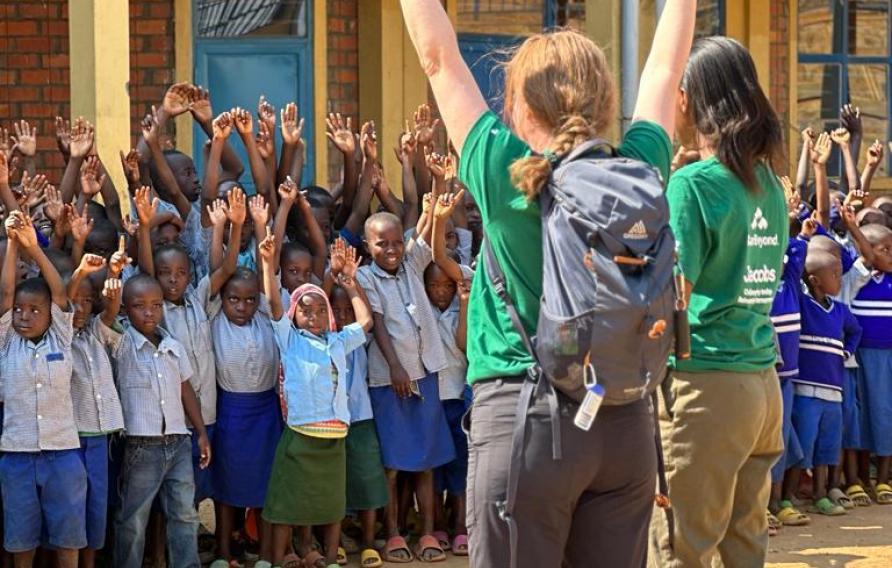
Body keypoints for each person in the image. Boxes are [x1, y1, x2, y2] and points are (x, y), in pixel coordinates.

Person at [399, 0, 695, 566]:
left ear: (520, 105)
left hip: (524, 419)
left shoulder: (503, 167)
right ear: (606, 101)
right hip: (626, 420)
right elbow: (665, 70)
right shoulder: (642, 168)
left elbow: (438, 58)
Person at [649, 37, 788, 567]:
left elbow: (672, 295)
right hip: (760, 383)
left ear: (686, 99)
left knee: (680, 547)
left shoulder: (693, 185)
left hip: (703, 383)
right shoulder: (769, 184)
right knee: (744, 544)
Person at [260, 231, 371, 568]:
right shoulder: (290, 339)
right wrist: (268, 265)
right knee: (286, 506)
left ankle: (330, 558)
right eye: (306, 311)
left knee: (331, 505)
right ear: (294, 315)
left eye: (321, 311)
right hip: (301, 435)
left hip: (334, 436)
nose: (314, 316)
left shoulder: (338, 341)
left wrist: (351, 283)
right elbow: (274, 303)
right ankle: (279, 559)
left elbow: (366, 322)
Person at [0, 211, 87, 568]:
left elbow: (59, 291)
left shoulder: (62, 337)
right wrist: (12, 248)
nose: (23, 315)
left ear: (51, 315)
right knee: (22, 539)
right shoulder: (6, 342)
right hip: (17, 454)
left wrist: (34, 250)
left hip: (63, 454)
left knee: (67, 537)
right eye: (19, 310)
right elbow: (7, 291)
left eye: (34, 310)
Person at [207, 263, 282, 568]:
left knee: (265, 486)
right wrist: (233, 227)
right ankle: (223, 553)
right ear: (221, 299)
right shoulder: (213, 321)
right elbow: (216, 273)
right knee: (226, 487)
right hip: (231, 412)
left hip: (266, 412)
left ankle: (265, 554)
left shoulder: (265, 319)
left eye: (250, 299)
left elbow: (269, 291)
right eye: (234, 299)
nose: (242, 306)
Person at [785, 248, 861, 516]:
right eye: (834, 274)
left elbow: (855, 330)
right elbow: (794, 275)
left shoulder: (840, 311)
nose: (839, 279)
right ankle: (786, 497)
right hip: (806, 391)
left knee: (827, 448)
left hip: (833, 393)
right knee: (804, 445)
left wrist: (847, 351)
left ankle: (820, 494)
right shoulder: (804, 306)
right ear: (815, 280)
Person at [66, 248, 128, 568]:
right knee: (71, 509)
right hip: (70, 440)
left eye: (87, 301)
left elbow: (110, 312)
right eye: (74, 300)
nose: (80, 307)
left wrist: (114, 276)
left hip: (100, 438)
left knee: (96, 506)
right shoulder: (57, 337)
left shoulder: (94, 333)